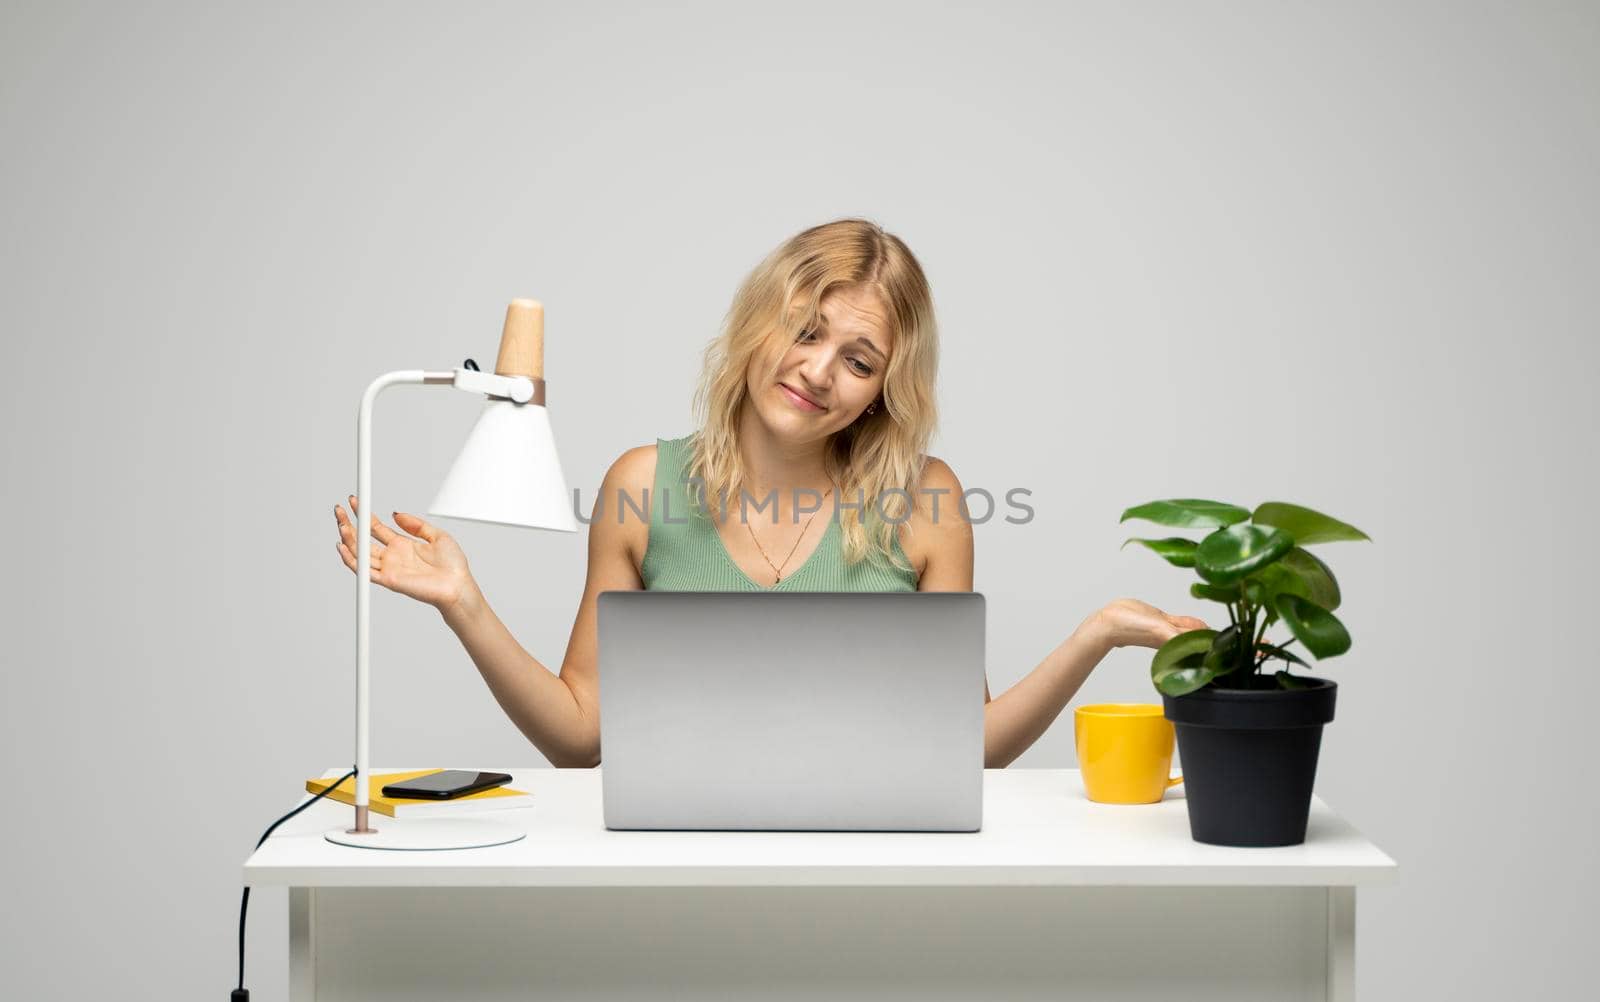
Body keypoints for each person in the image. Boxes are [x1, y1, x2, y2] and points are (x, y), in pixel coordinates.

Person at [334, 218, 1208, 769]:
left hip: (875, 882)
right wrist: (464, 603)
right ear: (761, 324)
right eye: (805, 331)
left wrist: (1097, 634)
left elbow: (965, 745)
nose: (818, 371)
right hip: (671, 878)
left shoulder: (926, 503)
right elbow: (578, 736)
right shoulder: (642, 486)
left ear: (882, 392)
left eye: (858, 361)